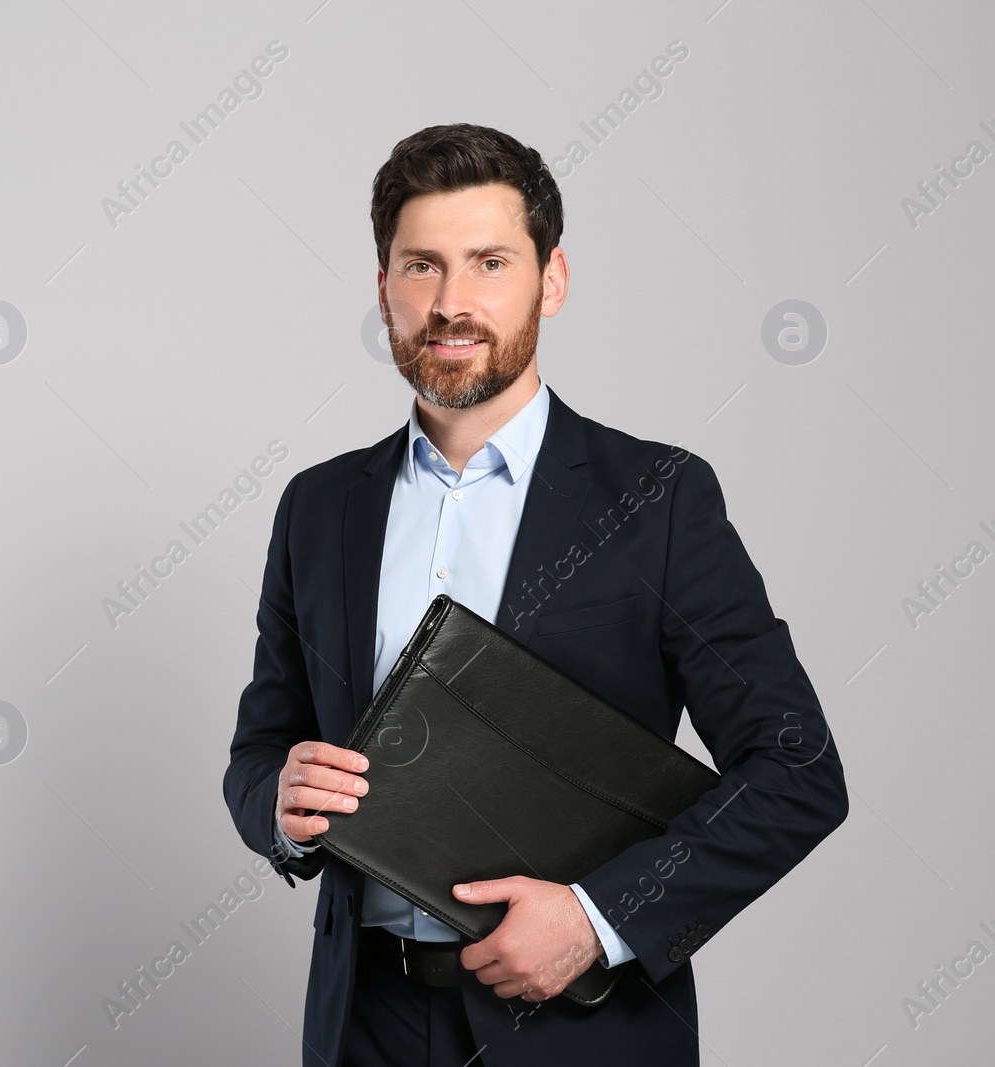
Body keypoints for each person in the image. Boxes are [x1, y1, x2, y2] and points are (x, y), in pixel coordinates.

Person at [223, 123, 848, 1067]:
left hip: (578, 1033)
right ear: (384, 288)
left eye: (488, 262)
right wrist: (276, 801)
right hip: (362, 1023)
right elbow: (260, 747)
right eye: (421, 266)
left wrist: (600, 919)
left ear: (552, 280)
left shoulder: (660, 499)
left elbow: (798, 769)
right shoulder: (318, 507)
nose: (451, 302)